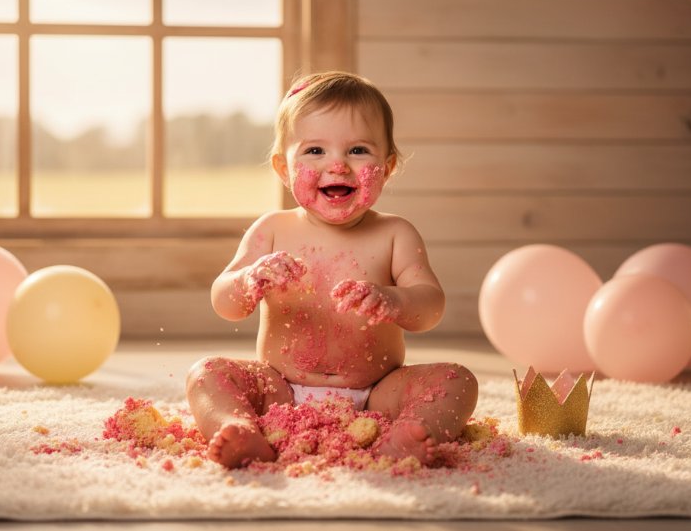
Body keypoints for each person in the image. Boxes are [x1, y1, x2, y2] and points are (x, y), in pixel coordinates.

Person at [186, 71, 478, 469]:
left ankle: (406, 433)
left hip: (378, 394)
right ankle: (238, 427)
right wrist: (249, 281)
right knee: (206, 373)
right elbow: (225, 301)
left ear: (388, 166)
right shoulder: (272, 230)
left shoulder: (395, 234)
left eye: (358, 150)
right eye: (315, 151)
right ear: (282, 168)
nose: (337, 165)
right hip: (281, 390)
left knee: (457, 380)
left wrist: (394, 300)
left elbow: (431, 307)